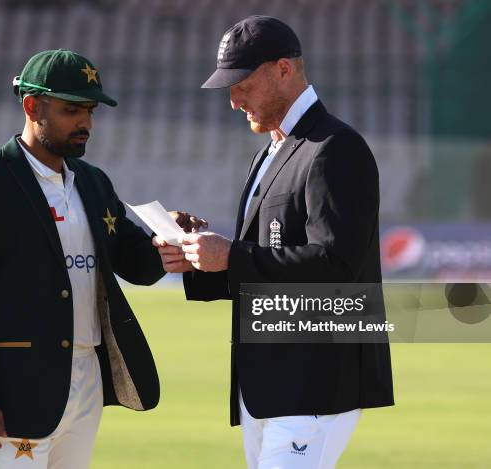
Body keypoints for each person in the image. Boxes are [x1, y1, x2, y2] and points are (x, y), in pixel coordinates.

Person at [0, 49, 202, 469]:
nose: (86, 123)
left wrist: (168, 239)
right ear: (31, 106)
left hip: (88, 380)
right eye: (71, 109)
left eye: (90, 110)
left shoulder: (93, 183)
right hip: (14, 390)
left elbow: (136, 262)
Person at [154, 16, 394, 469]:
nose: (233, 99)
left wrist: (232, 255)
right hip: (264, 384)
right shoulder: (269, 153)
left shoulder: (334, 148)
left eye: (242, 83)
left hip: (315, 382)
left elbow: (337, 264)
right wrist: (195, 258)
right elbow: (261, 265)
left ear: (284, 70)